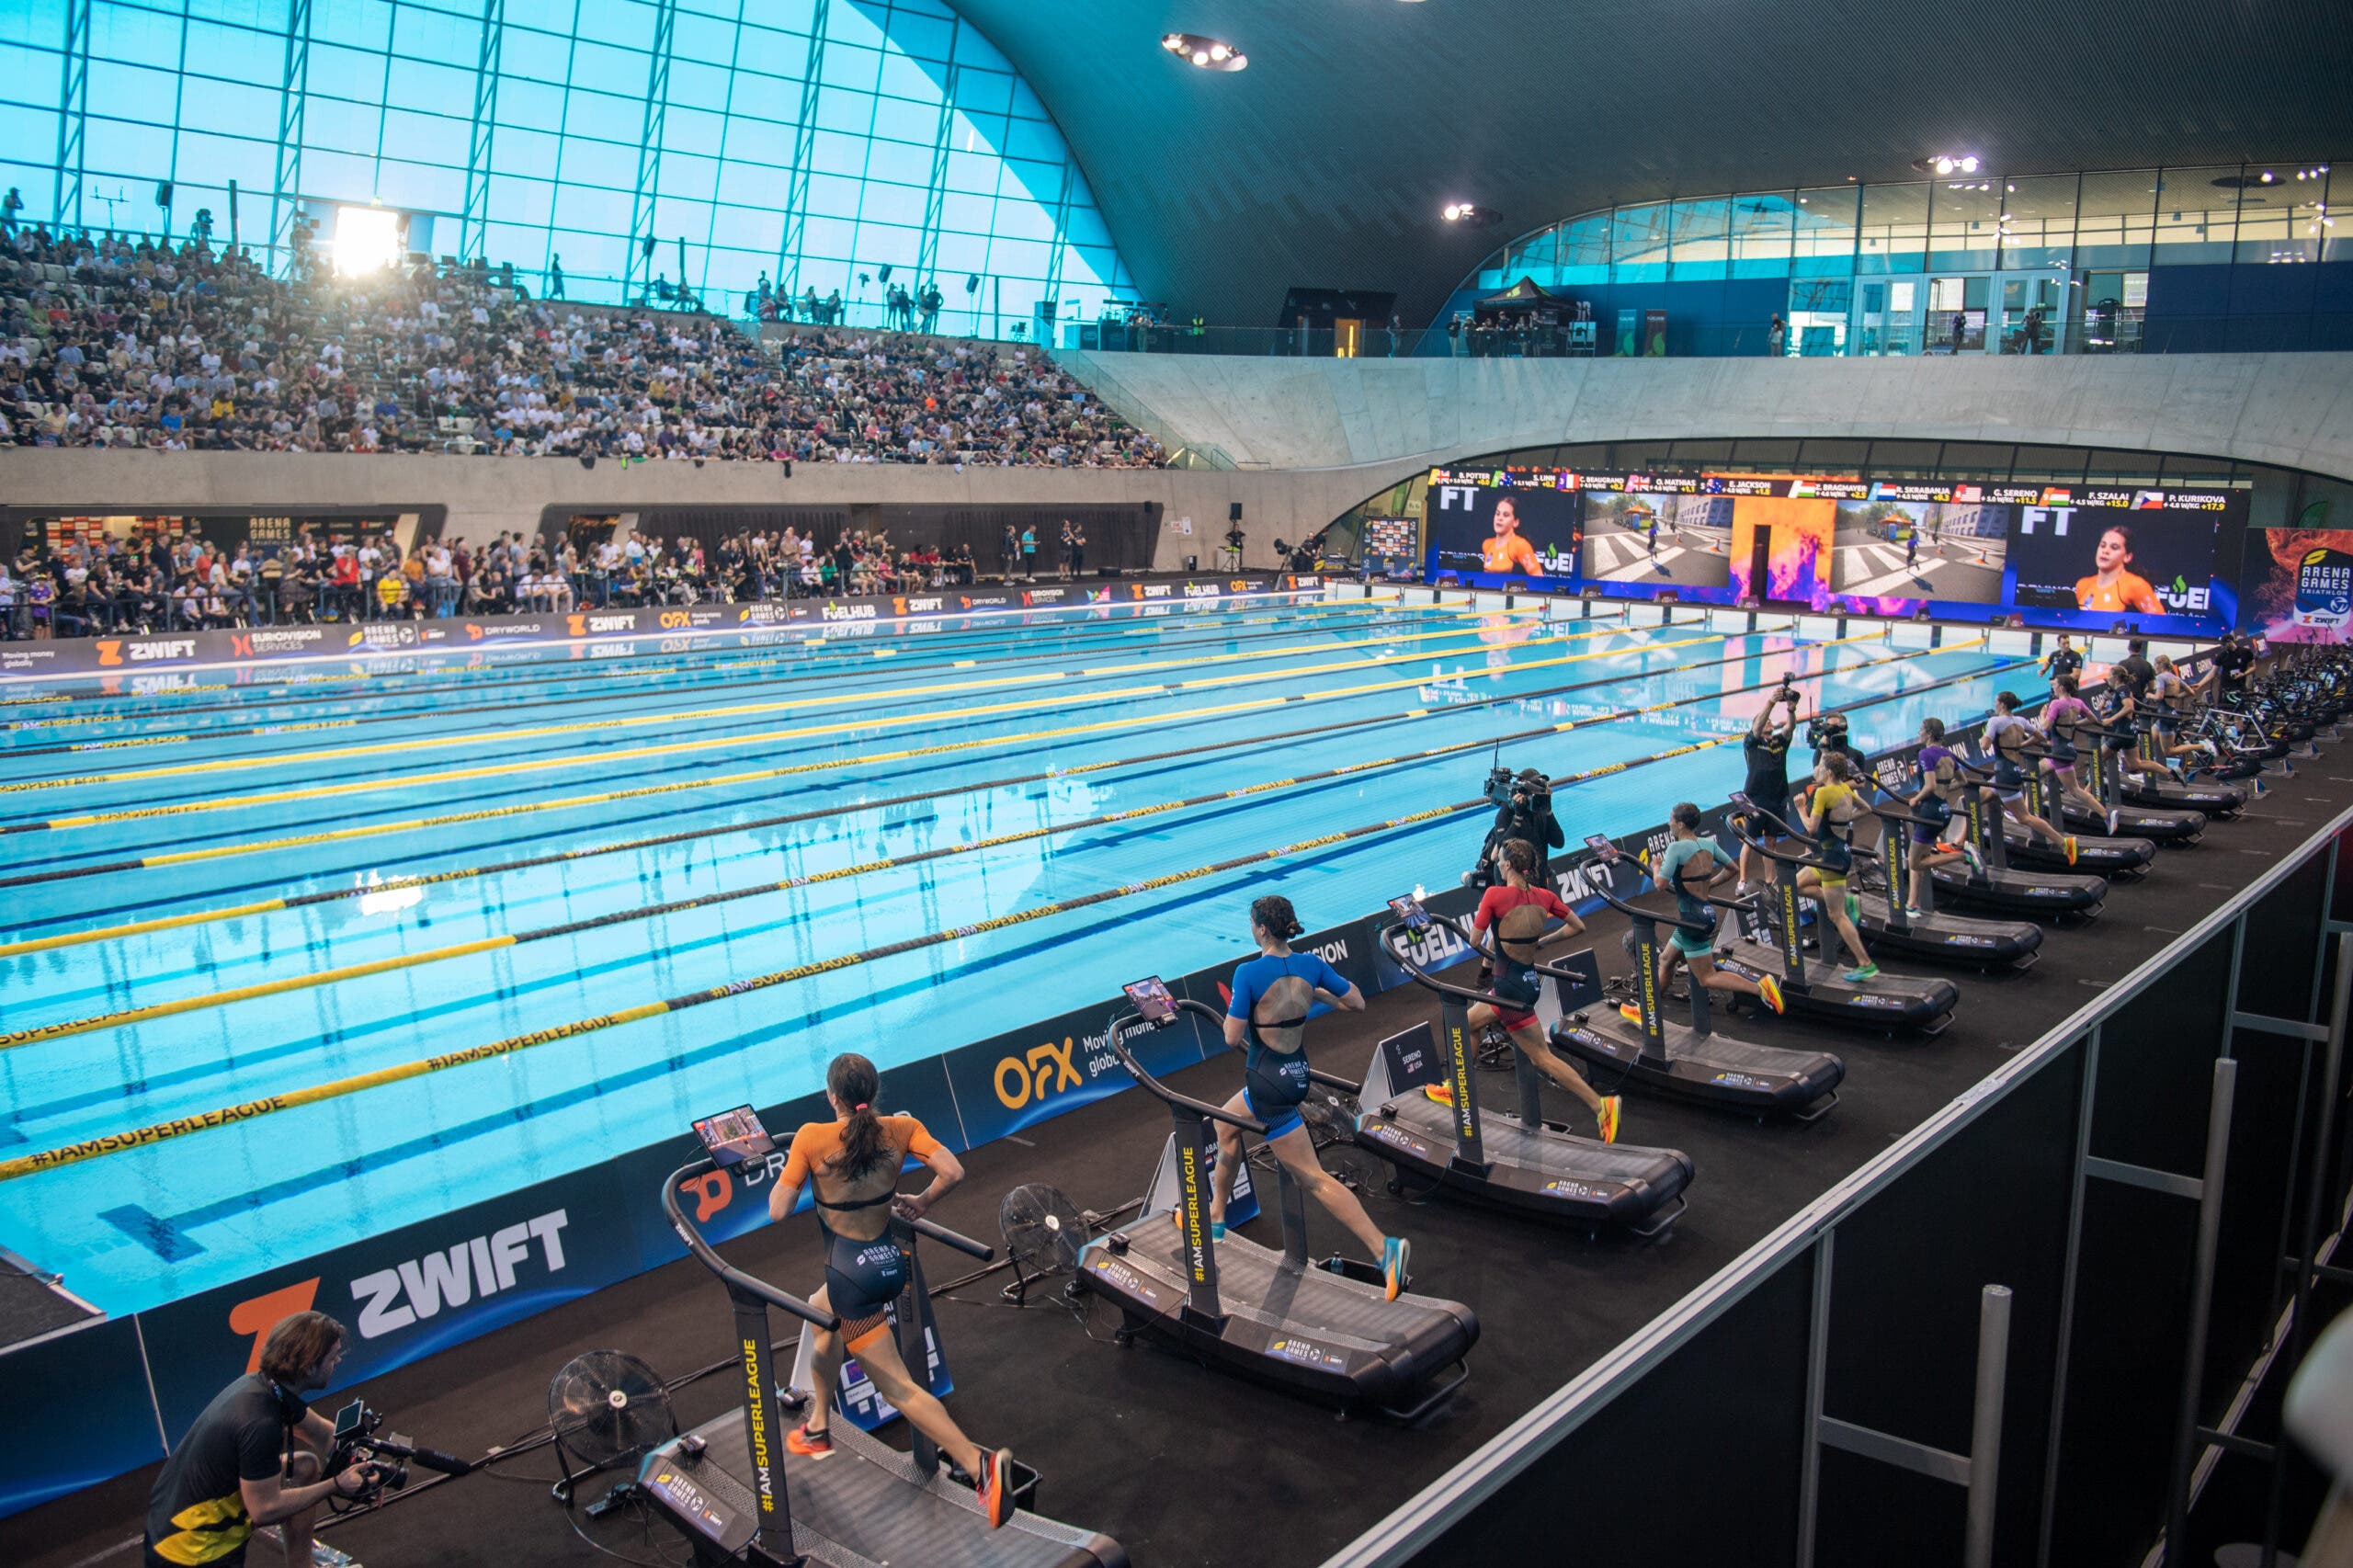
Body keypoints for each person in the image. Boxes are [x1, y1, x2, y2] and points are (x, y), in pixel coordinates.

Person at [765, 1053, 1017, 1528]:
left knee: (899, 1388)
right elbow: (953, 1171)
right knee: (819, 1314)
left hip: (851, 1279)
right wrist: (921, 1201)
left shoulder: (811, 1137)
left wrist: (789, 1173)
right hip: (887, 1262)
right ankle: (818, 1426)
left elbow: (778, 1210)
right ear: (873, 1092)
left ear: (832, 1097)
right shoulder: (902, 1128)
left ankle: (979, 1466)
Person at [1209, 893, 1411, 1300]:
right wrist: (1312, 994)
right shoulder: (1311, 965)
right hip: (1296, 1073)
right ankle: (1215, 1217)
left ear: (1261, 929)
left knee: (1313, 1178)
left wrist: (1244, 1007)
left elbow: (1231, 1037)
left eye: (1251, 924)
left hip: (1267, 1084)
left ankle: (1383, 1248)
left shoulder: (1248, 972)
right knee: (1225, 1124)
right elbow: (1356, 1001)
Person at [144, 1310, 381, 1568]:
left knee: (305, 1467)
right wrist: (336, 1484)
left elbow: (322, 1433)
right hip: (190, 1552)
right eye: (333, 1356)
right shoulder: (260, 1422)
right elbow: (264, 1508)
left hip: (172, 1516)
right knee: (270, 1496)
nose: (338, 1360)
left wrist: (364, 1467)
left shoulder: (266, 1386)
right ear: (308, 1367)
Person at [1454, 837, 1621, 1142]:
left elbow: (1475, 941)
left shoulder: (1494, 894)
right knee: (1468, 1023)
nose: (1498, 866)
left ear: (1507, 865)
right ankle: (1455, 1088)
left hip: (1509, 989)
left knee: (1542, 1058)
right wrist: (1541, 942)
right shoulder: (1544, 896)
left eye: (1500, 862)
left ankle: (1601, 1105)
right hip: (1526, 981)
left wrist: (1486, 918)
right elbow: (1578, 926)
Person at [1652, 802, 1786, 1018]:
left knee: (1707, 977)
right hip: (1701, 913)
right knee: (1666, 959)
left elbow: (1660, 884)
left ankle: (1760, 987)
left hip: (1692, 921)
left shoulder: (1675, 849)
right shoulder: (1708, 844)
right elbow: (1732, 868)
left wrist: (1656, 866)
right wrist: (1709, 884)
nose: (1669, 824)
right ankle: (1650, 1009)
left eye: (1671, 820)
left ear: (1681, 824)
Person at [1795, 751, 1879, 981]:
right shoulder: (1845, 789)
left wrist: (1801, 809)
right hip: (1836, 854)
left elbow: (1811, 828)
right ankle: (1848, 899)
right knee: (1795, 884)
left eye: (1822, 767)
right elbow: (1867, 809)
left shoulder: (1824, 792)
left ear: (1830, 772)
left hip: (1832, 859)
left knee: (1837, 915)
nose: (1818, 770)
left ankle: (1866, 963)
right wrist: (1843, 820)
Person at [1984, 689, 2079, 863]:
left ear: (2002, 704)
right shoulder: (2020, 720)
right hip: (2009, 772)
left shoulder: (1994, 721)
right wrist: (2020, 746)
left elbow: (1984, 745)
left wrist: (1985, 733)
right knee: (1969, 800)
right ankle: (1959, 843)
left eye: (1996, 702)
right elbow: (2039, 737)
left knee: (2024, 818)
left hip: (2004, 776)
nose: (1995, 705)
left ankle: (2064, 843)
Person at [1906, 717, 1987, 914]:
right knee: (1922, 857)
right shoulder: (1948, 754)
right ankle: (1913, 904)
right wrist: (1943, 788)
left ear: (1929, 734)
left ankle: (1963, 854)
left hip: (1929, 812)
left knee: (1914, 862)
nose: (1919, 733)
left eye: (1921, 730)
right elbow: (1963, 781)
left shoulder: (1925, 753)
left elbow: (1930, 785)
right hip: (1943, 810)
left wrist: (1916, 799)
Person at [1736, 683, 1802, 894]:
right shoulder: (1751, 742)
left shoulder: (1780, 742)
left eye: (1771, 721)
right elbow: (1757, 727)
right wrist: (1771, 702)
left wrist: (1791, 709)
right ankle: (1742, 881)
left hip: (1777, 798)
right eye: (1765, 720)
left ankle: (1770, 881)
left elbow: (1790, 728)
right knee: (1750, 839)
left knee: (1771, 841)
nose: (1769, 722)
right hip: (1756, 798)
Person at [2040, 675, 2114, 834]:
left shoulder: (2056, 704)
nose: (2053, 687)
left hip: (2059, 752)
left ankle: (2106, 814)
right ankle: (2032, 804)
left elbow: (2045, 727)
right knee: (2034, 773)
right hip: (2067, 749)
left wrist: (2042, 715)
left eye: (2055, 684)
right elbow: (2092, 719)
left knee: (2074, 790)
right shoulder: (2077, 702)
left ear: (2061, 687)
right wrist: (2074, 723)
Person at [2072, 524, 2162, 615]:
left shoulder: (2136, 585)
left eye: (2114, 547)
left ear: (2127, 557)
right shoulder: (2083, 585)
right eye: (2103, 545)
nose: (2105, 551)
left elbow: (2159, 621)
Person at [1477, 495, 1542, 575]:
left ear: (1516, 522)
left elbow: (1538, 577)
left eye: (1506, 515)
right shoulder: (1487, 544)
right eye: (1497, 514)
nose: (1499, 518)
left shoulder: (1520, 545)